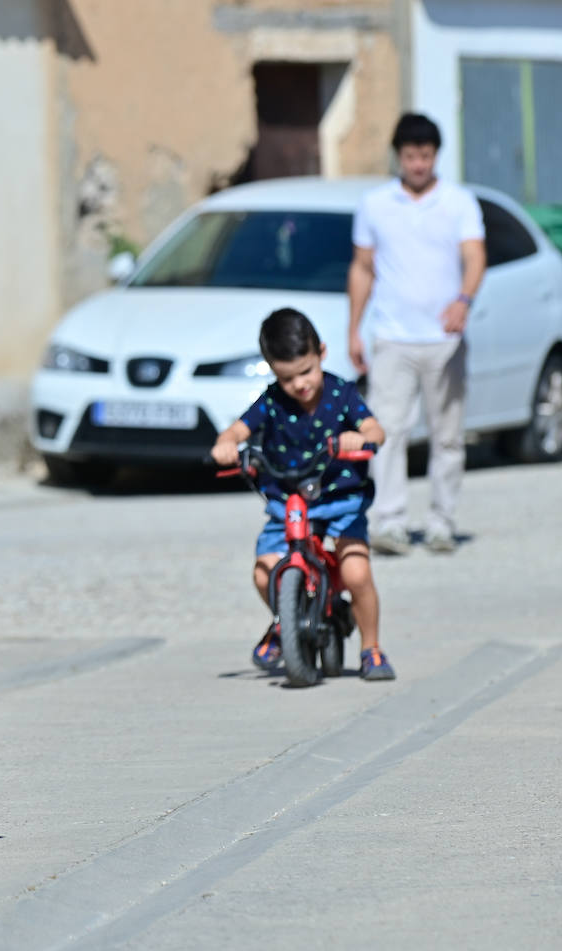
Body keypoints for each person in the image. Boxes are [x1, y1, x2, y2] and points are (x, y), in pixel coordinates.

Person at [212, 308, 395, 682]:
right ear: (271, 369)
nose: (299, 384)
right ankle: (285, 622)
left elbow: (376, 430)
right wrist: (226, 444)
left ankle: (371, 647)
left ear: (322, 353)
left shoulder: (341, 394)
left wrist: (360, 437)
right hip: (288, 502)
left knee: (356, 572)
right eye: (287, 377)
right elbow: (237, 430)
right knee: (265, 572)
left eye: (306, 371)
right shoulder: (271, 402)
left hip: (340, 500)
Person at [347, 112, 485, 555]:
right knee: (386, 430)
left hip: (444, 342)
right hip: (392, 337)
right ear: (398, 157)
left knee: (447, 434)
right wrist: (353, 329)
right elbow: (362, 267)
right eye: (410, 156)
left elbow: (475, 257)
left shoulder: (459, 203)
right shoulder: (375, 204)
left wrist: (463, 301)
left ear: (436, 156)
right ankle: (390, 522)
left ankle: (442, 520)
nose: (419, 165)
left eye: (425, 156)